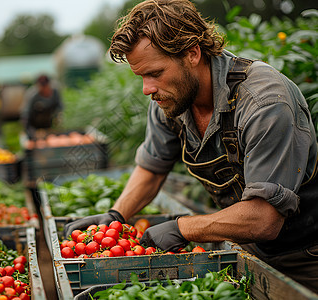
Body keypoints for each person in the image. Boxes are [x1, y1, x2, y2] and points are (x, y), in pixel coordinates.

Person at [64, 0, 318, 293]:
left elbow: (264, 218)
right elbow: (153, 166)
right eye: (141, 76)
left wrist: (182, 227)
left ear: (192, 53)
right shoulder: (171, 100)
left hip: (305, 256)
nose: (147, 89)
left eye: (155, 73)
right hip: (244, 249)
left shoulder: (264, 102)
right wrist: (116, 216)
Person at [20, 74, 63, 139]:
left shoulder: (55, 92)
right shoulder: (32, 95)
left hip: (48, 125)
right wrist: (32, 132)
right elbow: (25, 115)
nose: (45, 91)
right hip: (34, 126)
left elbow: (59, 106)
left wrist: (57, 117)